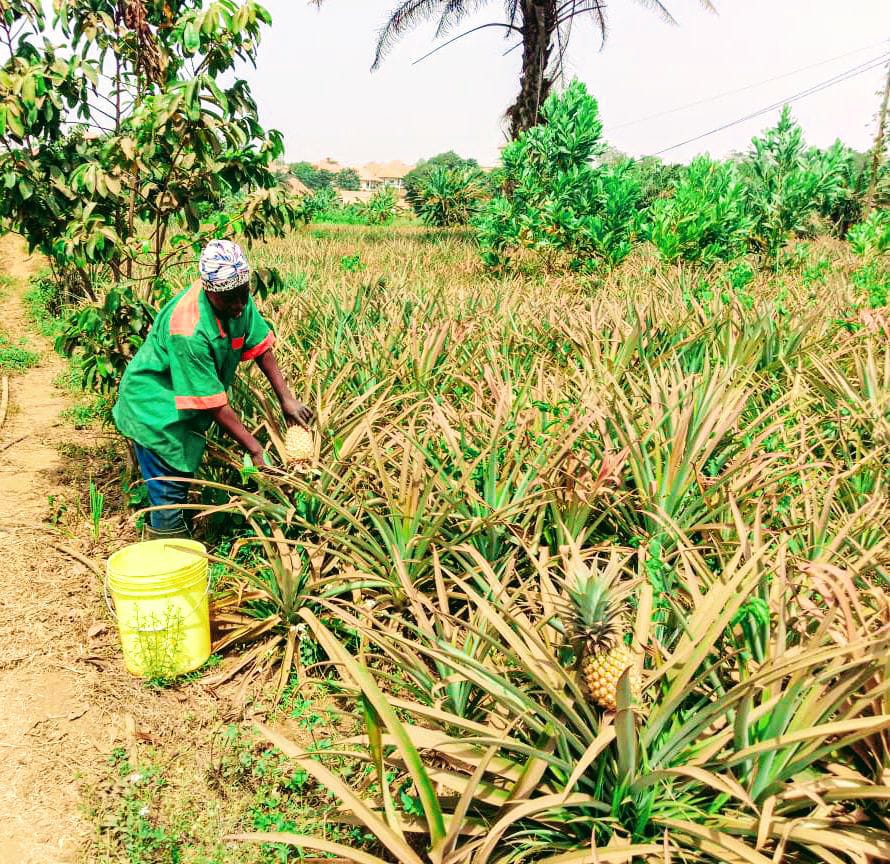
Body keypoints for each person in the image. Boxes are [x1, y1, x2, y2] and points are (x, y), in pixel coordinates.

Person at [112, 239, 313, 539]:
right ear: (209, 291)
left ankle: (178, 542)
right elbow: (213, 403)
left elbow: (259, 345)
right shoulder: (188, 328)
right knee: (168, 490)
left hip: (182, 406)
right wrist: (256, 450)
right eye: (230, 299)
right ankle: (167, 558)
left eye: (243, 295)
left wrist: (287, 398)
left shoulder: (236, 293)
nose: (239, 306)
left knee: (180, 482)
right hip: (154, 408)